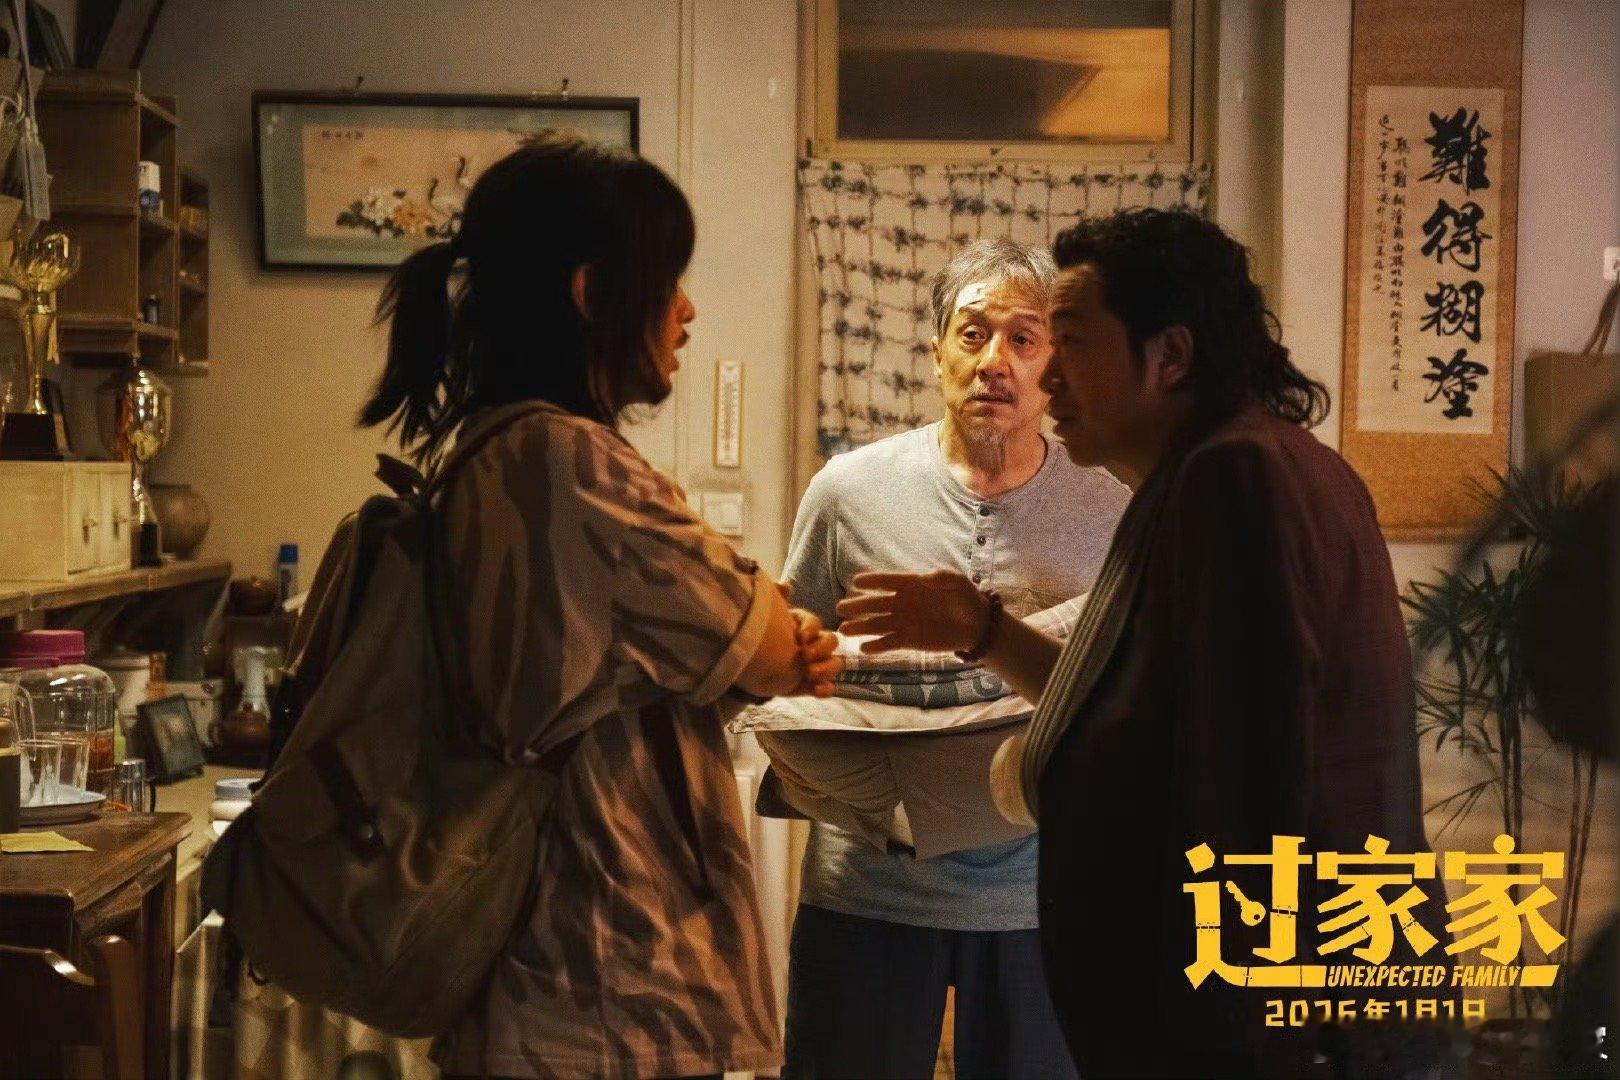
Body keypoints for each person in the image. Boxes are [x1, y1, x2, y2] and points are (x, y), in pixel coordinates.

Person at [837, 209, 1449, 1077]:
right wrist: (982, 631)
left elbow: (1250, 784)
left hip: (1267, 1022)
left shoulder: (1234, 478)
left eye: (1070, 342)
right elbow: (1146, 703)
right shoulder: (1223, 470)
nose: (1048, 378)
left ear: (1169, 357)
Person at [358, 135, 841, 1080]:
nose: (686, 310)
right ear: (591, 294)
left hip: (538, 970)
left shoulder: (487, 450)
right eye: (669, 282)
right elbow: (769, 649)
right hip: (607, 973)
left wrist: (753, 630)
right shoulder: (575, 463)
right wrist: (773, 633)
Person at [779, 238, 1129, 1079]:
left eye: (1023, 338)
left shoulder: (1114, 507)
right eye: (973, 334)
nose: (994, 362)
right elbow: (788, 669)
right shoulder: (847, 492)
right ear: (937, 352)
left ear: (1056, 362)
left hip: (1044, 893)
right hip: (866, 883)